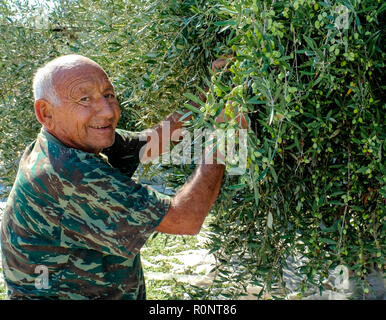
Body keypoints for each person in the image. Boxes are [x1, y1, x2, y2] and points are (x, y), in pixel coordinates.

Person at [0, 54, 234, 300]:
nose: (108, 111)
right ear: (46, 113)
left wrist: (212, 90)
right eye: (84, 99)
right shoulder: (70, 174)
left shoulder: (67, 142)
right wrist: (225, 135)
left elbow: (155, 139)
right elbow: (186, 218)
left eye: (108, 95)